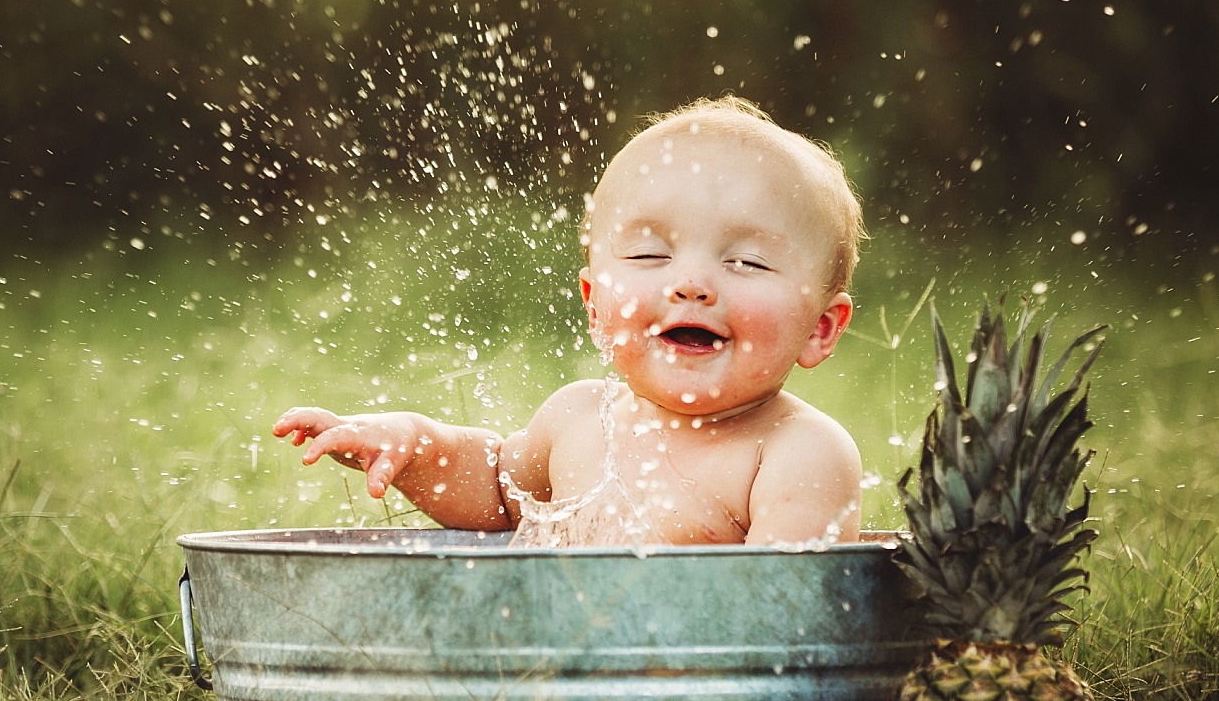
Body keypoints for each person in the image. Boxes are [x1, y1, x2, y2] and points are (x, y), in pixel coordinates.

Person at [276, 97, 865, 547]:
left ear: (820, 328)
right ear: (593, 302)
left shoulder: (799, 454)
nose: (690, 284)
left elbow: (785, 622)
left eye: (746, 261)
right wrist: (414, 447)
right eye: (648, 255)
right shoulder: (578, 419)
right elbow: (493, 490)